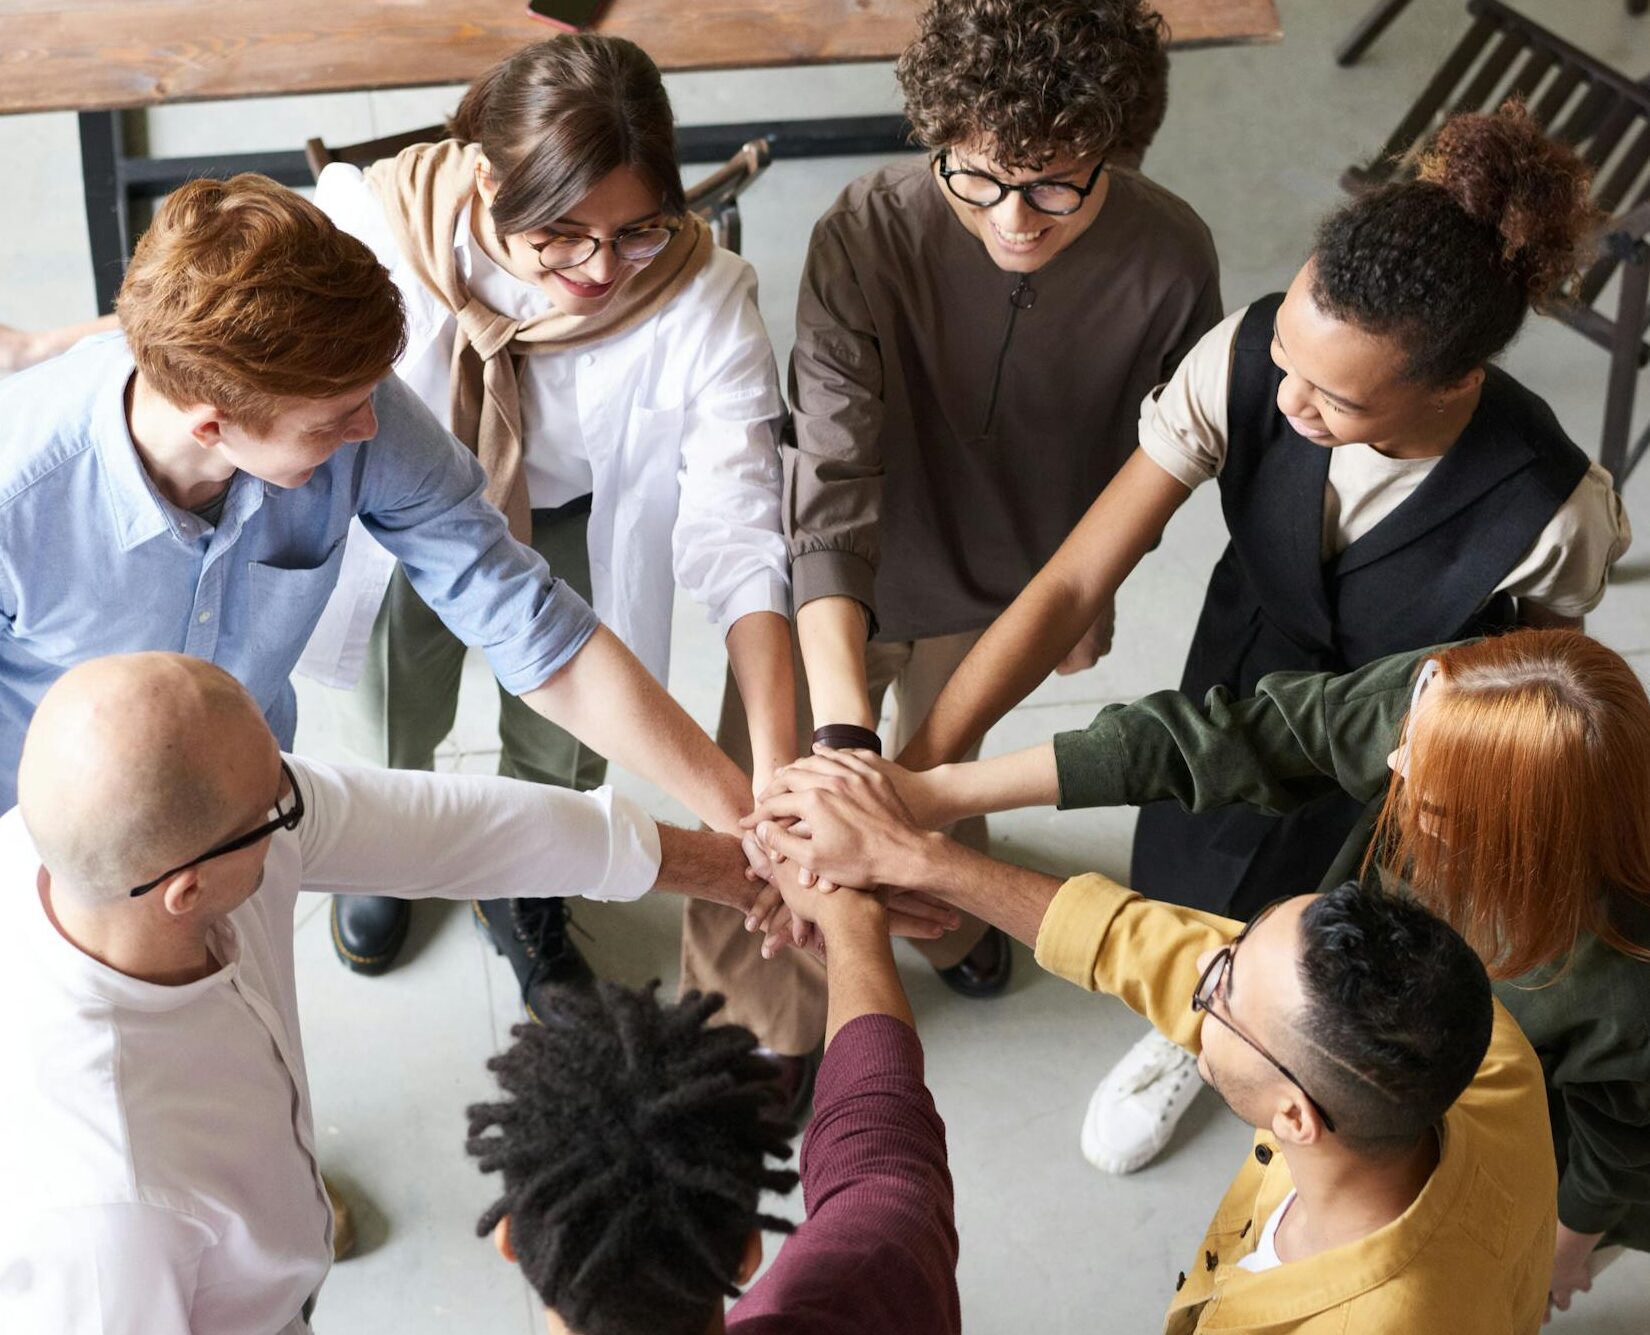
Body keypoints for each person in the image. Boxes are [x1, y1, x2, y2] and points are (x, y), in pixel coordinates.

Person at [895, 102, 1630, 1161]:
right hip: (1243, 664)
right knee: (1189, 859)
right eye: (1286, 355)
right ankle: (1192, 1030)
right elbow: (1069, 584)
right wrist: (921, 771)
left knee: (1332, 949)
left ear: (1456, 385)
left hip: (1400, 759)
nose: (1289, 403)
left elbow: (1531, 706)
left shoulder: (1554, 510)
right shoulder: (1241, 360)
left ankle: (1277, 1066)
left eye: (1336, 398)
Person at [0, 172, 774, 1017]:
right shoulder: (18, 497)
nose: (367, 430)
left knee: (255, 1031)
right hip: (45, 852)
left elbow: (529, 621)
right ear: (213, 425)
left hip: (249, 816)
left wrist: (742, 817)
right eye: (333, 422)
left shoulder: (349, 401)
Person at [681, 0, 1222, 1081]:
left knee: (948, 775)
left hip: (1010, 593)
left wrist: (895, 802)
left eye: (1057, 183)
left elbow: (1143, 470)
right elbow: (830, 486)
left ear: (1118, 146)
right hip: (844, 589)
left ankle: (955, 920)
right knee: (777, 783)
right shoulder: (865, 231)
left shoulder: (1172, 260)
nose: (1016, 219)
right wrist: (843, 749)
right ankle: (760, 1020)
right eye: (974, 176)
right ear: (938, 133)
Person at [833, 628, 1650, 1317]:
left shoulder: (1615, 992)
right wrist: (929, 817)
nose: (1393, 761)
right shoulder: (1466, 707)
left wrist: (1562, 1244)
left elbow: (1624, 1141)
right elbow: (1239, 743)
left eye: (1216, 994)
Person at [0, 651, 773, 1335]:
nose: (298, 801)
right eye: (278, 805)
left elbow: (453, 829)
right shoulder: (109, 1212)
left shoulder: (148, 837)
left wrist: (727, 869)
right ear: (187, 889)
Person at [301, 34, 795, 985]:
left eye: (637, 231)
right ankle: (392, 849)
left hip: (573, 511)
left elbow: (739, 524)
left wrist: (766, 772)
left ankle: (531, 877)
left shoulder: (706, 295)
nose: (603, 270)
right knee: (395, 696)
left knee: (569, 738)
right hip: (400, 509)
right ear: (488, 184)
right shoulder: (374, 223)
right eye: (562, 235)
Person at [748, 752, 1557, 1332]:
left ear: (1296, 1116)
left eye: (1220, 989)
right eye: (1238, 940)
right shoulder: (1478, 1054)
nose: (1198, 966)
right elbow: (1151, 946)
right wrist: (919, 858)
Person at [466, 884, 960, 1333]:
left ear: (508, 1238)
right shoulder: (875, 1274)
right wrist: (852, 923)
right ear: (748, 1253)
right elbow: (884, 1158)